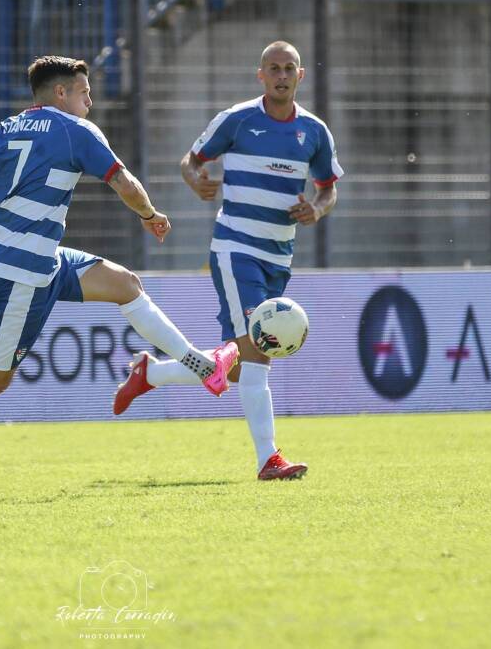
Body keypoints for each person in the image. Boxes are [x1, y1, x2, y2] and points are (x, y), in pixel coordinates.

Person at [0, 55, 239, 497]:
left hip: (39, 258)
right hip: (25, 276)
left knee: (125, 284)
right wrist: (150, 214)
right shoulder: (77, 131)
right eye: (84, 91)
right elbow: (125, 183)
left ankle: (204, 368)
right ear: (61, 93)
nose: (90, 98)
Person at [113, 41, 343, 481]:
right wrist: (196, 179)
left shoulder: (314, 132)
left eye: (289, 68)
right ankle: (268, 459)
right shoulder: (237, 120)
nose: (281, 75)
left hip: (279, 256)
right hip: (236, 249)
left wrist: (318, 207)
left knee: (238, 367)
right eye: (273, 68)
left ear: (300, 76)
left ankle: (152, 374)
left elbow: (328, 186)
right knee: (259, 353)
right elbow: (191, 160)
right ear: (260, 75)